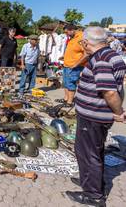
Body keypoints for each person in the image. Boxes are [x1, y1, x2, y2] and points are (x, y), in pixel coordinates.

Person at [65, 26, 126, 206]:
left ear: (85, 42)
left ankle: (93, 195)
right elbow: (119, 87)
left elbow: (109, 92)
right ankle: (90, 182)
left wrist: (118, 112)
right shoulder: (113, 55)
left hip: (93, 117)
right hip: (96, 116)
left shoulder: (101, 59)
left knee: (88, 153)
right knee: (94, 151)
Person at [57, 24, 88, 107]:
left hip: (75, 66)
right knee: (66, 83)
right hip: (67, 65)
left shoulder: (82, 37)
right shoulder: (72, 38)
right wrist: (64, 56)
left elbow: (86, 54)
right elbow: (74, 51)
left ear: (72, 30)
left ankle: (69, 102)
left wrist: (76, 64)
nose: (66, 34)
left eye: (67, 32)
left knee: (71, 83)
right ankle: (66, 99)